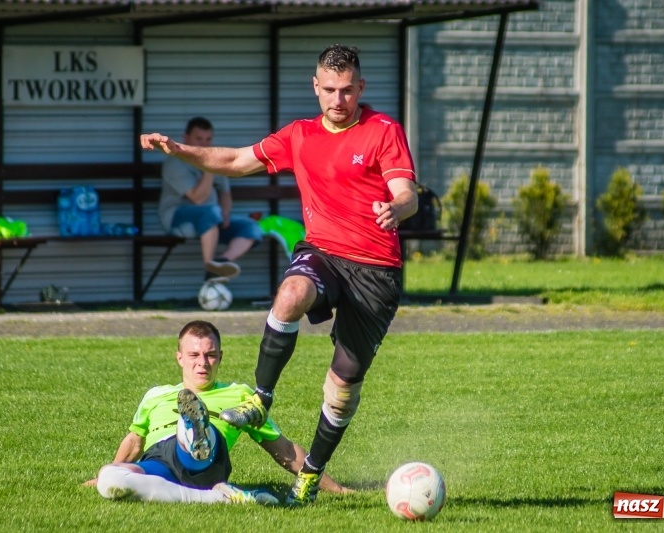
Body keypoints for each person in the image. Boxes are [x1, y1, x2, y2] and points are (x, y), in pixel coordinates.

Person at [140, 44, 418, 506]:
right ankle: (261, 398)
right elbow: (235, 161)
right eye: (330, 89)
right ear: (316, 87)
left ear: (361, 88)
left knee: (342, 387)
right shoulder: (300, 135)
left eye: (348, 90)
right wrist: (179, 149)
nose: (338, 99)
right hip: (324, 252)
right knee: (290, 294)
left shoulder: (383, 130)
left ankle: (310, 473)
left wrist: (398, 207)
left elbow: (407, 192)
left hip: (375, 270)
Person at [84, 320, 349, 504]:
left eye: (210, 355)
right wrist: (102, 474)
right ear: (179, 358)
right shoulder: (155, 395)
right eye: (194, 355)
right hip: (160, 462)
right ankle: (217, 497)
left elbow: (284, 450)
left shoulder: (240, 395)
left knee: (191, 429)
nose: (203, 363)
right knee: (111, 480)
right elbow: (134, 441)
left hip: (207, 460)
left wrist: (333, 487)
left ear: (220, 357)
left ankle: (193, 428)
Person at [159, 116, 263, 282]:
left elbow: (225, 193)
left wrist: (226, 213)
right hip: (177, 219)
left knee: (251, 227)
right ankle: (209, 265)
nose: (204, 145)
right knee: (211, 212)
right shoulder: (175, 162)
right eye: (199, 139)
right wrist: (208, 168)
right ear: (185, 138)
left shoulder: (214, 160)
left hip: (212, 219)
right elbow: (198, 198)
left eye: (208, 140)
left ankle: (220, 264)